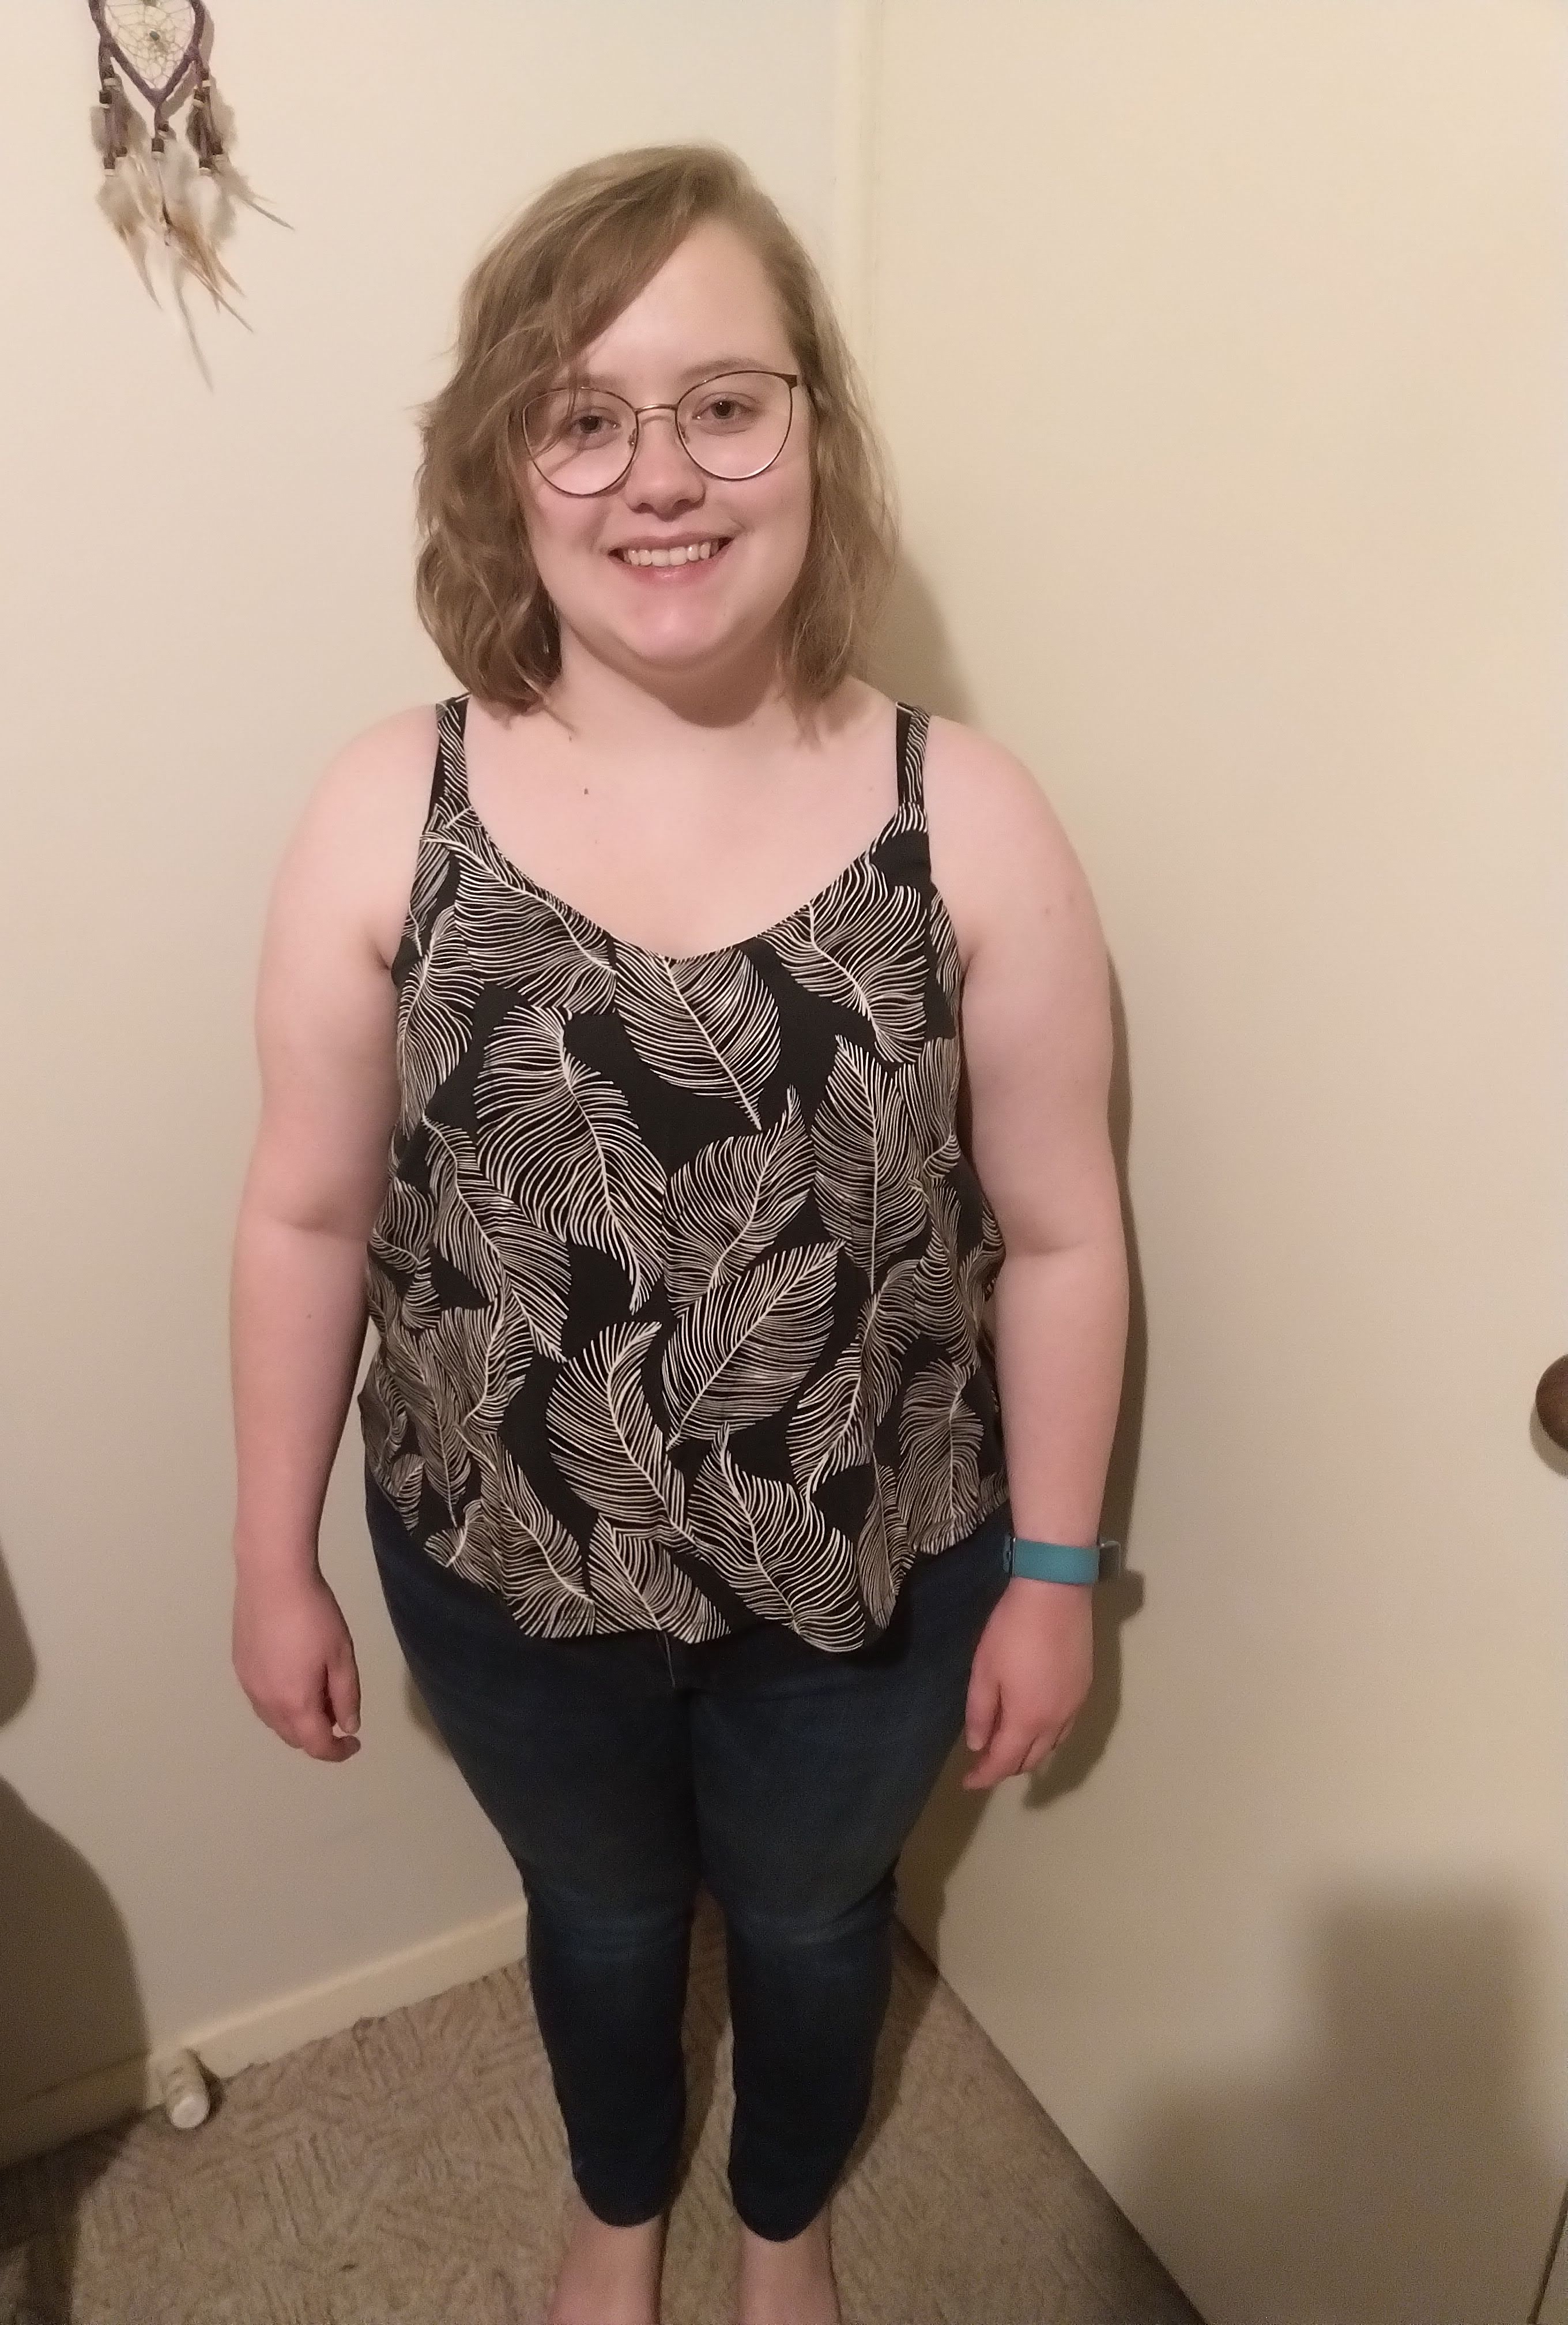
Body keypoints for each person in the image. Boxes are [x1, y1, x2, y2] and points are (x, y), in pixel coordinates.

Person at [229, 144, 1127, 2325]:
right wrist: (269, 1558)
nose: (661, 475)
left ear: (813, 428)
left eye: (725, 404)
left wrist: (1056, 1573)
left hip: (874, 1575)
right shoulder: (384, 808)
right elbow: (308, 1209)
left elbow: (1062, 1236)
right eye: (585, 415)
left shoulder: (969, 816)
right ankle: (617, 2210)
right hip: (504, 1570)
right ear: (503, 462)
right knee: (608, 1919)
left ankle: (783, 2226)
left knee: (815, 1928)